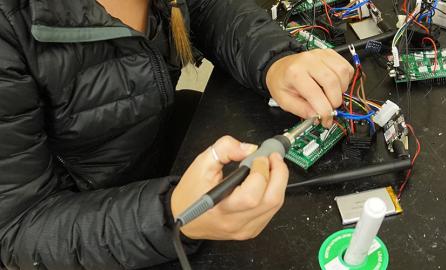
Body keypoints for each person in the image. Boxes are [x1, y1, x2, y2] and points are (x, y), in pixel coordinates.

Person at [0, 0, 353, 269]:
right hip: (93, 230)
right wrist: (170, 216)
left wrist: (274, 61)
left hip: (167, 149)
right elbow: (19, 229)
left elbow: (205, 7)